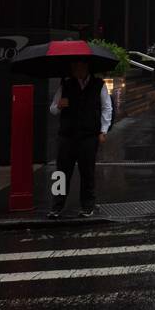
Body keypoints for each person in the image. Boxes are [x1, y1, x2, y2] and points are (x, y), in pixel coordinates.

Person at [48, 58, 111, 219]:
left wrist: (103, 130)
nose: (77, 69)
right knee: (61, 173)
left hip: (88, 136)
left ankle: (87, 205)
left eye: (80, 66)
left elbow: (106, 108)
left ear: (87, 67)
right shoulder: (66, 85)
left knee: (87, 172)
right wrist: (59, 106)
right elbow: (53, 109)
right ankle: (56, 206)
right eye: (74, 66)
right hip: (67, 135)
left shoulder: (99, 85)